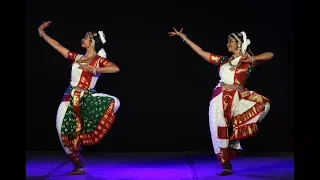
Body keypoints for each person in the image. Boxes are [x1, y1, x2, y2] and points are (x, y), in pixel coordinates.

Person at [168, 28, 273, 176]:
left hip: (237, 97)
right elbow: (201, 52)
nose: (227, 44)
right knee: (218, 128)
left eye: (231, 41)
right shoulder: (223, 60)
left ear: (239, 44)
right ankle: (226, 164)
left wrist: (253, 58)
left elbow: (271, 55)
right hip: (219, 97)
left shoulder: (247, 62)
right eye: (228, 41)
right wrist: (184, 38)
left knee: (263, 105)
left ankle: (234, 139)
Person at [38, 21, 121, 175]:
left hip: (85, 99)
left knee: (114, 102)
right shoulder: (78, 58)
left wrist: (95, 68)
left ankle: (79, 160)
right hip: (68, 97)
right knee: (62, 131)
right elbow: (58, 46)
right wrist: (42, 33)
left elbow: (115, 68)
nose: (82, 39)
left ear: (92, 43)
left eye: (86, 37)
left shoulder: (98, 60)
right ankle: (78, 165)